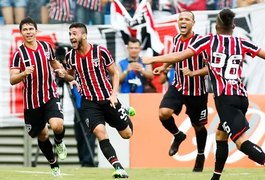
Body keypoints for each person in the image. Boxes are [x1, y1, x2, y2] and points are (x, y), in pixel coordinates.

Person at [142, 8, 265, 180]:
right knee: (221, 136)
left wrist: (153, 59)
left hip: (225, 99)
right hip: (241, 96)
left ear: (216, 26)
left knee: (240, 142)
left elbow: (180, 56)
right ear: (233, 26)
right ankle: (215, 177)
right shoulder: (241, 42)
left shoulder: (208, 40)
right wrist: (165, 66)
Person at [57, 22, 133, 178]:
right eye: (70, 34)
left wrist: (114, 94)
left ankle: (123, 111)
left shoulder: (100, 51)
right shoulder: (70, 56)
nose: (71, 37)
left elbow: (115, 73)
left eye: (74, 33)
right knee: (100, 132)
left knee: (127, 134)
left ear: (83, 35)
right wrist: (65, 75)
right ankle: (118, 167)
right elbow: (71, 74)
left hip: (108, 99)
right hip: (89, 103)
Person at [148, 11, 209, 172]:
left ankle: (201, 155)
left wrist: (194, 73)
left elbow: (211, 67)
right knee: (163, 113)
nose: (183, 21)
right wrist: (164, 67)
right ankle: (178, 135)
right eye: (180, 19)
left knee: (198, 126)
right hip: (178, 86)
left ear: (193, 23)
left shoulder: (201, 42)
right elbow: (175, 57)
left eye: (187, 19)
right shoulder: (176, 38)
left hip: (197, 92)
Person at [9, 17, 67, 176]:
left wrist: (60, 70)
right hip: (32, 102)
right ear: (21, 33)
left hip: (50, 94)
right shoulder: (18, 54)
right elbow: (12, 79)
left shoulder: (46, 46)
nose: (28, 32)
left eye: (31, 29)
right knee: (42, 135)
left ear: (36, 30)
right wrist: (23, 73)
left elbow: (54, 63)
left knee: (57, 125)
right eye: (25, 30)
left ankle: (59, 142)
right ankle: (54, 165)